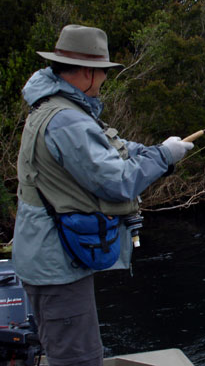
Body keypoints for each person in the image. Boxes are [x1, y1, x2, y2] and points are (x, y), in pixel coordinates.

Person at [12, 24, 194, 365]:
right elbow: (119, 181)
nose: (104, 81)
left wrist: (155, 151)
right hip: (56, 268)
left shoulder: (56, 108)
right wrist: (166, 157)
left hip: (46, 258)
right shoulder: (68, 120)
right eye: (103, 73)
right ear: (87, 73)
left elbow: (113, 149)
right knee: (79, 358)